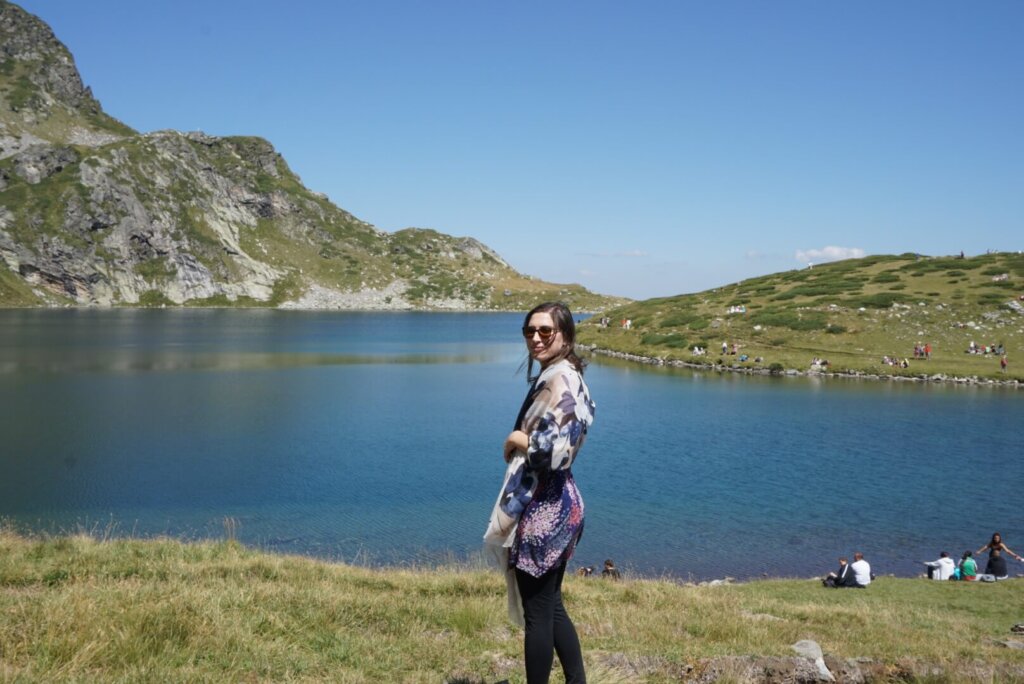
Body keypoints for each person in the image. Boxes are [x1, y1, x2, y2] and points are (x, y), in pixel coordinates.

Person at [502, 301, 595, 684]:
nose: (536, 338)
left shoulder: (558, 379)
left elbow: (557, 450)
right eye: (530, 331)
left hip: (545, 507)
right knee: (551, 604)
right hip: (564, 500)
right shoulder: (569, 373)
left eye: (545, 331)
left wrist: (518, 438)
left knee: (536, 614)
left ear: (566, 336)